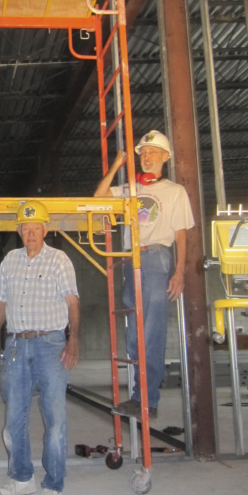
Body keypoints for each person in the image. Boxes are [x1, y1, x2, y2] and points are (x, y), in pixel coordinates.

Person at [94, 130, 194, 419]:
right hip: (131, 260)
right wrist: (116, 165)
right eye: (144, 153)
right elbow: (99, 197)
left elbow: (181, 235)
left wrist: (179, 271)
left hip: (155, 257)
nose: (147, 157)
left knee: (151, 332)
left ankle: (147, 401)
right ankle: (140, 397)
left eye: (153, 152)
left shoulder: (175, 191)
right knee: (134, 335)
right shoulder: (131, 188)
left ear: (165, 157)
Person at [0, 200, 80, 495]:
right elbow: (1, 301)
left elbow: (72, 302)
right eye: (25, 228)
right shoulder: (10, 261)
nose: (30, 233)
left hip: (50, 343)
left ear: (45, 229)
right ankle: (21, 477)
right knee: (14, 414)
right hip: (15, 344)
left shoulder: (59, 260)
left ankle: (53, 485)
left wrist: (73, 339)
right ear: (19, 230)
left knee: (54, 416)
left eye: (35, 227)